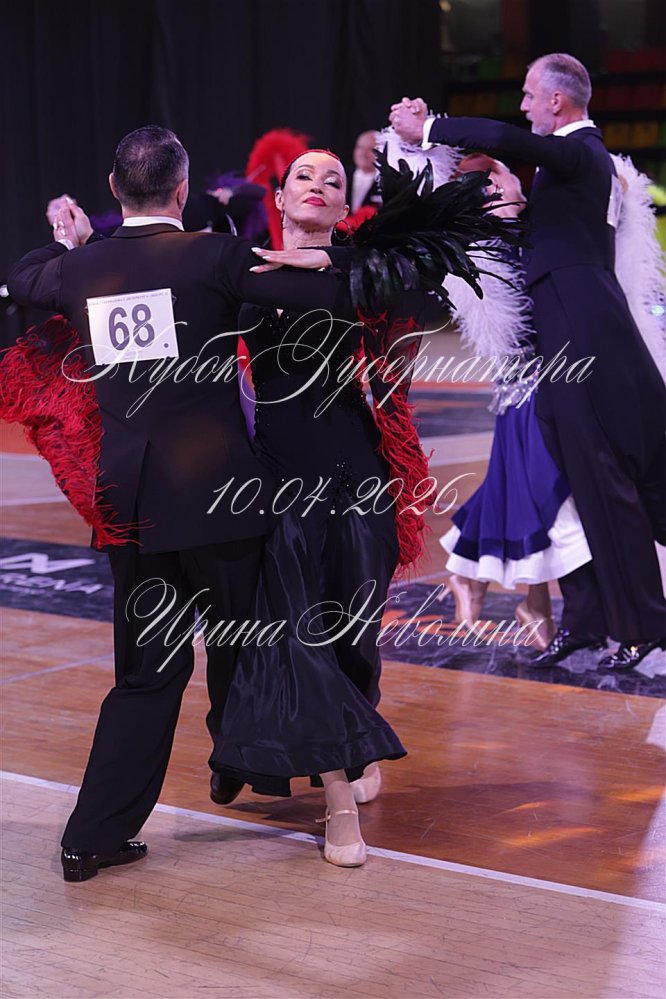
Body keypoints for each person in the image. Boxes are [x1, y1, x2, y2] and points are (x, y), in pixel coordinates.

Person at [6, 125, 361, 883]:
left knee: (145, 675)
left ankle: (91, 838)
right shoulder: (212, 254)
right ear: (182, 188)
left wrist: (72, 243)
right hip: (221, 497)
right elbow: (321, 291)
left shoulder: (81, 269)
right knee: (258, 641)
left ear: (114, 189)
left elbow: (27, 273)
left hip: (132, 502)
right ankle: (245, 765)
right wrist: (330, 257)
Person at [390, 52, 666, 670]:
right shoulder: (571, 171)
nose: (522, 105)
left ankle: (644, 624)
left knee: (606, 484)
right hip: (564, 336)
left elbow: (503, 137)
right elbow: (554, 241)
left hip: (583, 339)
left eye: (527, 94)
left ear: (556, 101)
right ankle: (591, 622)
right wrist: (518, 206)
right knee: (577, 490)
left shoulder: (582, 151)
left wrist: (428, 128)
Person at [209, 149, 426, 868]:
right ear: (279, 196)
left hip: (356, 477)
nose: (319, 185)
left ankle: (356, 744)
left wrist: (322, 260)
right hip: (278, 482)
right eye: (304, 175)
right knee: (300, 642)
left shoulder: (359, 273)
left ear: (342, 207)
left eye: (333, 180)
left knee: (354, 639)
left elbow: (406, 279)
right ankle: (337, 805)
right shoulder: (245, 274)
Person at [438, 153, 591, 651]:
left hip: (554, 380)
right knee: (542, 488)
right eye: (499, 184)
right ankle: (525, 597)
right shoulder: (483, 249)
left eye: (508, 178)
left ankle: (482, 580)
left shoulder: (531, 229)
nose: (513, 188)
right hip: (527, 383)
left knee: (519, 485)